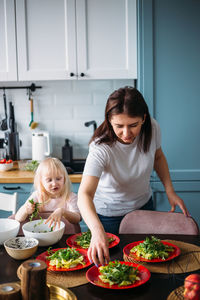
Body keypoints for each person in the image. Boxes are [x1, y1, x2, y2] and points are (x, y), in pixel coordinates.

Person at [77, 86, 189, 266]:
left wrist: (170, 190)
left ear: (143, 118)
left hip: (143, 207)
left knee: (149, 264)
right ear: (109, 120)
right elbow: (84, 195)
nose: (126, 133)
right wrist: (98, 231)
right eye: (119, 126)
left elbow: (158, 157)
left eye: (133, 125)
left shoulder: (152, 127)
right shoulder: (100, 147)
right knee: (113, 271)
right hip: (108, 217)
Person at [15, 157, 81, 229]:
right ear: (41, 182)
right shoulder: (37, 196)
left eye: (58, 179)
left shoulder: (70, 197)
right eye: (49, 180)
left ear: (64, 178)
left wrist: (63, 211)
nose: (54, 184)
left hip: (65, 234)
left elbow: (77, 218)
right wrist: (26, 210)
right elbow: (18, 218)